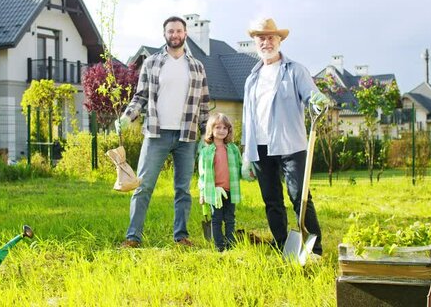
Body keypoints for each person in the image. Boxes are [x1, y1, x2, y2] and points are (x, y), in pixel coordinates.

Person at [116, 16, 210, 248]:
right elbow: (140, 96)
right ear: (165, 34)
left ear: (185, 34)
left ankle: (181, 236)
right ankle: (133, 237)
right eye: (170, 31)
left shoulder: (197, 66)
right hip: (156, 134)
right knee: (143, 186)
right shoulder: (152, 63)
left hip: (186, 136)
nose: (175, 35)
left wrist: (206, 134)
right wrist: (127, 118)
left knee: (183, 189)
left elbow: (204, 104)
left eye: (179, 31)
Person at [240, 18, 330, 256]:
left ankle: (315, 249)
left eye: (271, 37)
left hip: (290, 145)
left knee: (300, 197)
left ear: (279, 41)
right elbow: (248, 117)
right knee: (271, 200)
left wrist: (317, 100)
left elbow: (312, 94)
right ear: (255, 43)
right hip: (260, 147)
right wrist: (246, 154)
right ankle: (283, 245)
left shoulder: (295, 70)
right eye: (261, 38)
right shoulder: (252, 78)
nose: (266, 42)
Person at [198, 113, 242, 251]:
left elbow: (240, 167)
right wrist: (202, 193)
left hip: (230, 190)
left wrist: (250, 171)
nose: (222, 130)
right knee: (216, 219)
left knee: (230, 219)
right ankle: (219, 246)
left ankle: (230, 245)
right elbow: (202, 175)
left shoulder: (233, 149)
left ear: (229, 130)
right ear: (211, 130)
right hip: (214, 192)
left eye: (225, 128)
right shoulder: (206, 152)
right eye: (218, 127)